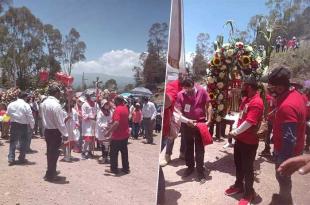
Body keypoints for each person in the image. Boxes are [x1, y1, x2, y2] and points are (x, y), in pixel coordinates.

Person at [266, 67, 307, 205]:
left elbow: (289, 138)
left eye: (272, 87)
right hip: (295, 147)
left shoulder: (287, 106)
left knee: (282, 177)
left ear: (280, 87)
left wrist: (283, 162)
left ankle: (285, 201)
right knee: (284, 179)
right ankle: (285, 198)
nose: (271, 90)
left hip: (286, 151)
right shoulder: (296, 95)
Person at [225, 76, 264, 205]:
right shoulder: (247, 99)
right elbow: (240, 116)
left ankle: (249, 193)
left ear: (249, 87)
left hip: (249, 142)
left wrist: (234, 132)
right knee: (239, 164)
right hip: (240, 140)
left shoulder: (256, 102)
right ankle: (238, 185)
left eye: (243, 85)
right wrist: (235, 130)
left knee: (248, 168)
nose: (241, 87)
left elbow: (249, 122)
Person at [174, 76, 212, 182]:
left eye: (190, 89)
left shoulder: (202, 91)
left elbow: (209, 105)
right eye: (186, 89)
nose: (188, 91)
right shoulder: (180, 95)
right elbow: (178, 112)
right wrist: (186, 120)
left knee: (200, 148)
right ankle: (190, 167)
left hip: (200, 123)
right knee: (188, 147)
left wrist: (209, 120)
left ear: (193, 85)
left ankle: (200, 172)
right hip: (187, 125)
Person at [40, 85, 68, 181]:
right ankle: (51, 174)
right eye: (59, 93)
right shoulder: (56, 105)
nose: (60, 95)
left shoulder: (43, 103)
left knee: (50, 153)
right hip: (55, 132)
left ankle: (50, 172)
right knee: (54, 154)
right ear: (56, 93)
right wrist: (65, 134)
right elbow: (59, 122)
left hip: (47, 130)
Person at [7, 91, 35, 166]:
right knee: (23, 142)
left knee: (13, 142)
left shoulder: (11, 104)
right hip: (23, 125)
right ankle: (21, 158)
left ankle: (11, 158)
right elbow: (30, 116)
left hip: (14, 124)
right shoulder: (26, 105)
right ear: (25, 97)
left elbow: (7, 114)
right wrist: (32, 126)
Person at [106, 95, 130, 174]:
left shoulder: (117, 110)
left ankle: (113, 169)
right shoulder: (125, 108)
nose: (114, 102)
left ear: (117, 101)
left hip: (117, 136)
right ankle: (126, 168)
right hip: (125, 134)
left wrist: (109, 131)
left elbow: (116, 123)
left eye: (114, 101)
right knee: (124, 153)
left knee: (113, 153)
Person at [81, 90, 97, 159]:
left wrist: (96, 116)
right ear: (88, 96)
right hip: (87, 125)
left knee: (92, 140)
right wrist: (91, 117)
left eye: (93, 95)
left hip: (93, 124)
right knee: (87, 140)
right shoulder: (84, 104)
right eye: (91, 95)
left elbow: (98, 112)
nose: (92, 97)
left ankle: (90, 151)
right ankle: (84, 152)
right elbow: (83, 115)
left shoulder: (95, 104)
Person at [96, 99, 112, 163]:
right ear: (103, 105)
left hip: (108, 130)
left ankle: (106, 156)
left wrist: (110, 124)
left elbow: (111, 119)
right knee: (103, 144)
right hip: (102, 130)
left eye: (108, 104)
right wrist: (105, 125)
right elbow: (99, 122)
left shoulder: (110, 112)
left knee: (108, 145)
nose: (107, 105)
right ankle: (103, 156)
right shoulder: (100, 113)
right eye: (106, 104)